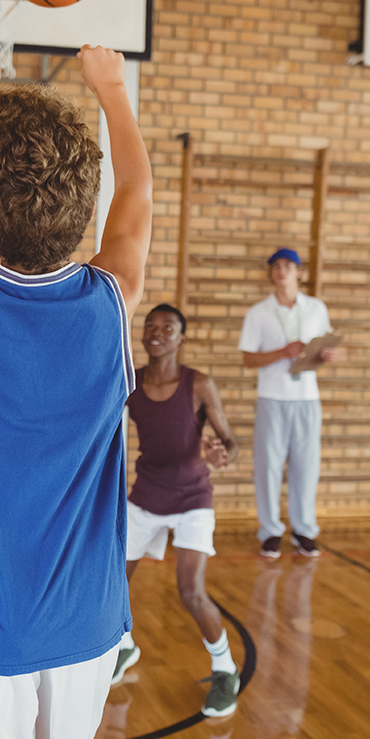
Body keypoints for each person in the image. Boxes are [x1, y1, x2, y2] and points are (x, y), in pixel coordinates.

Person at [0, 26, 152, 739]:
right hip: (86, 620)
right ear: (84, 210)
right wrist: (113, 90)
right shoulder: (107, 304)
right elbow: (139, 193)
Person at [113, 303, 241, 718]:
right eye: (150, 326)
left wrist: (223, 454)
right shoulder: (131, 381)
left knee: (190, 592)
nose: (157, 332)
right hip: (147, 494)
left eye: (167, 327)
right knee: (112, 583)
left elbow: (229, 442)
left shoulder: (199, 384)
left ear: (180, 339)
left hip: (191, 499)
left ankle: (225, 669)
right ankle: (125, 645)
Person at [237, 248, 341, 559]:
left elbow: (324, 346)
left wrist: (329, 355)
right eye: (276, 266)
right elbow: (247, 359)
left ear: (299, 272)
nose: (282, 271)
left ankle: (304, 530)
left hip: (308, 398)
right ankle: (270, 531)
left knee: (306, 466)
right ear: (271, 273)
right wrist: (283, 352)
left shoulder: (315, 308)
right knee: (268, 467)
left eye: (288, 266)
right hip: (273, 397)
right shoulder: (258, 313)